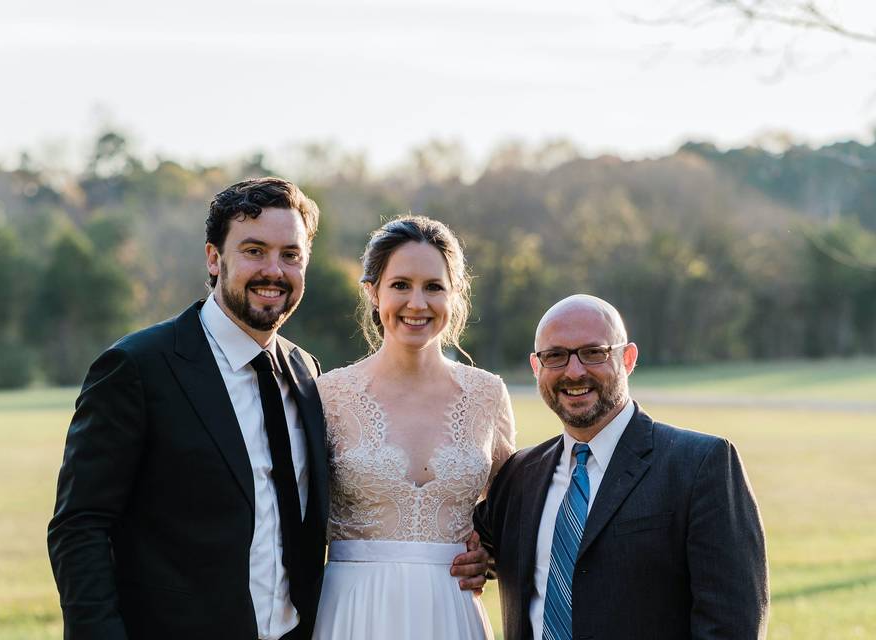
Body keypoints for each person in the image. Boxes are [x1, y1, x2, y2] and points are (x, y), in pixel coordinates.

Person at [47, 178, 488, 640]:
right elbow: (80, 526)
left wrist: (481, 547)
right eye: (254, 251)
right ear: (214, 258)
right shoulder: (140, 367)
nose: (273, 270)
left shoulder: (305, 374)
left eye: (290, 255)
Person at [475, 294, 769, 640]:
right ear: (537, 367)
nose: (574, 371)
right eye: (555, 356)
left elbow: (731, 626)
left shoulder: (701, 464)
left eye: (593, 352)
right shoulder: (519, 474)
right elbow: (463, 545)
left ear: (627, 358)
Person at [312, 216, 517, 640]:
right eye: (400, 284)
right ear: (373, 291)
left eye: (434, 287)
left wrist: (488, 556)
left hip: (452, 610)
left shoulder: (488, 395)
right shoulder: (327, 395)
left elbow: (509, 514)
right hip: (354, 611)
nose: (417, 303)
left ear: (455, 294)